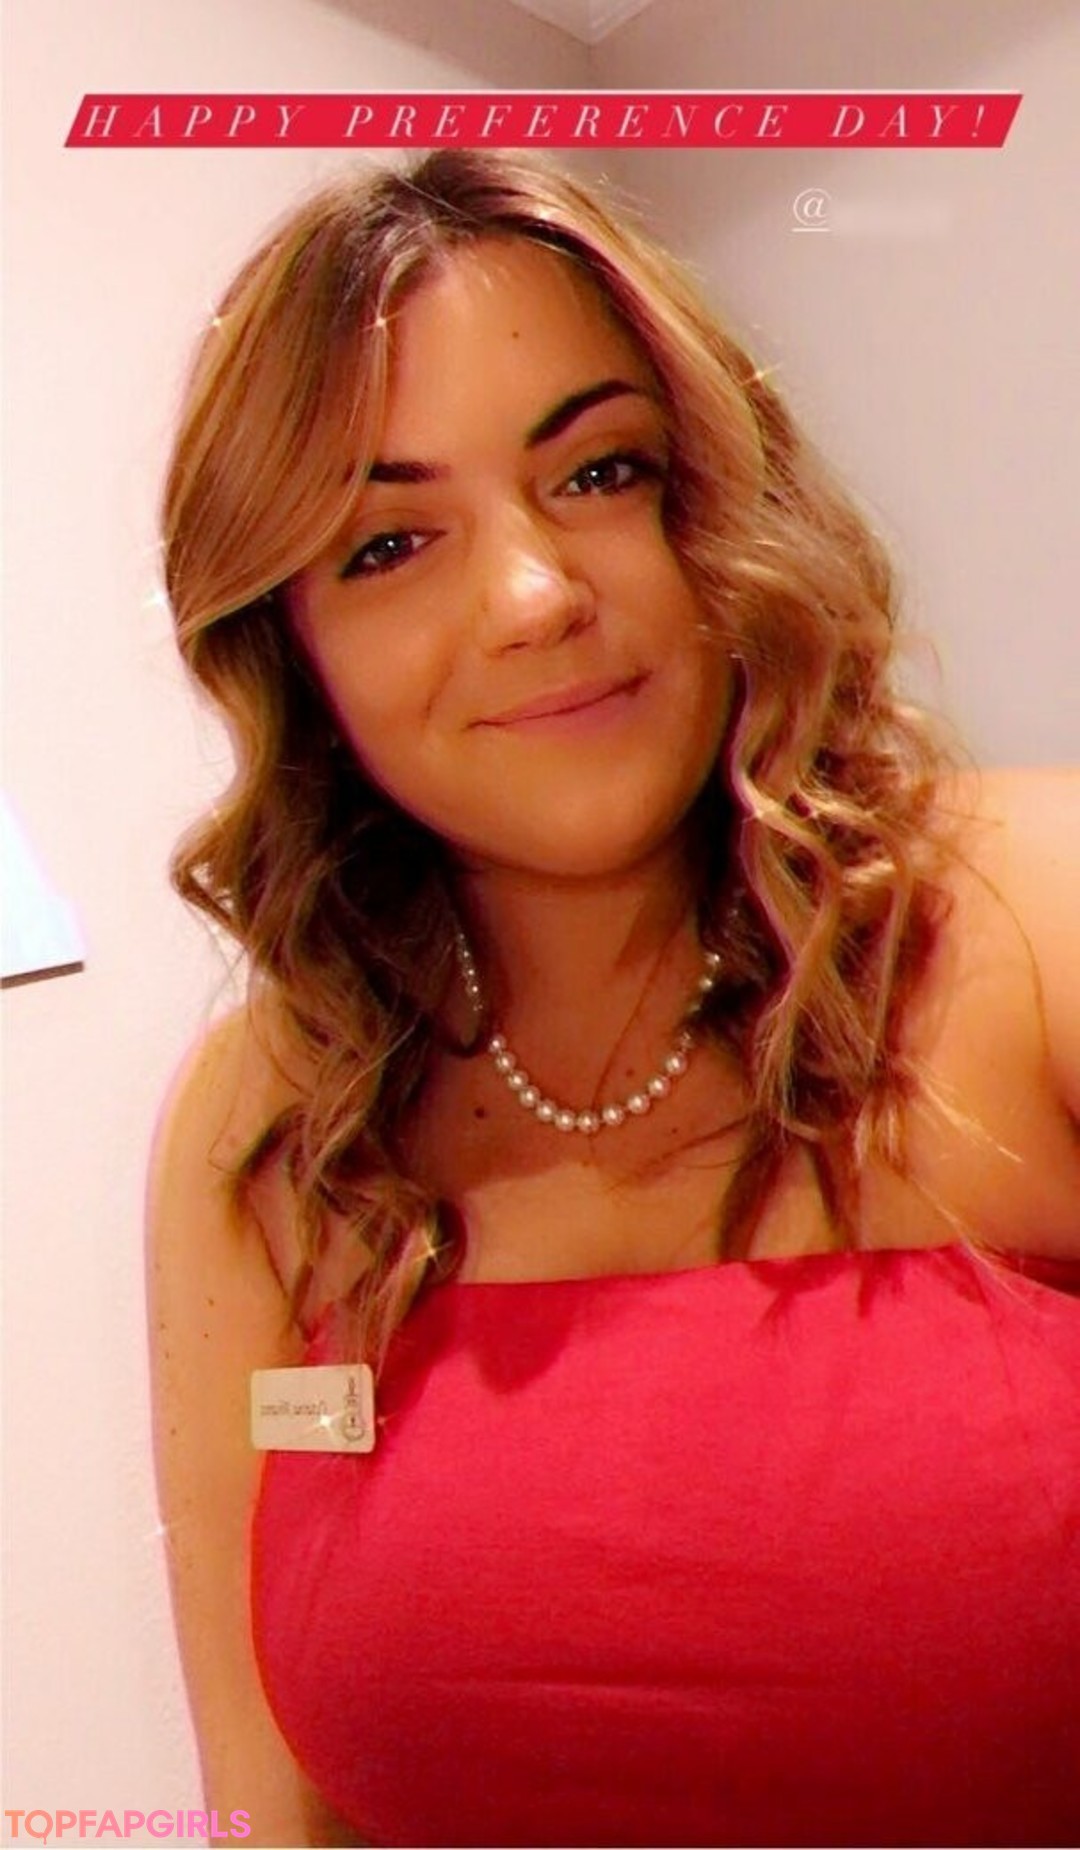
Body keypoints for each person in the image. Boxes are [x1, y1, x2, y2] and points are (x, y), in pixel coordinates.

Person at [146, 148, 1080, 1849]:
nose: (533, 597)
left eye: (598, 471)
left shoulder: (1038, 917)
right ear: (294, 650)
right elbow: (269, 1815)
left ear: (712, 495)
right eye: (389, 542)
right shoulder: (268, 1119)